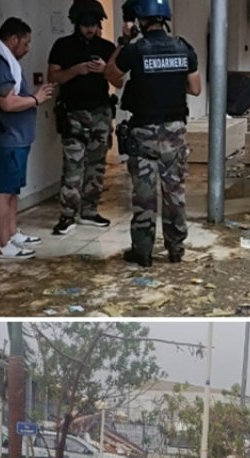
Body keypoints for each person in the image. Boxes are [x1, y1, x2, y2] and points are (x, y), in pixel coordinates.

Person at [106, 0, 202, 267]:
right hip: (174, 132)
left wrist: (124, 40)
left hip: (144, 133)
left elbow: (111, 75)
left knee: (144, 195)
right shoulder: (184, 48)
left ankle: (143, 253)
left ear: (140, 20)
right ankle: (175, 249)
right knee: (174, 192)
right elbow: (195, 89)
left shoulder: (135, 51)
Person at [0, 17, 55, 260]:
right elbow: (8, 102)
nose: (28, 48)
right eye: (26, 42)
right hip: (6, 137)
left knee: (12, 189)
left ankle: (12, 233)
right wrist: (36, 98)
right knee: (3, 190)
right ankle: (3, 244)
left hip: (16, 137)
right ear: (13, 39)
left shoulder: (7, 61)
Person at [47, 0, 117, 237]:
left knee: (96, 165)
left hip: (100, 112)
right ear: (76, 23)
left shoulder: (107, 47)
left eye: (94, 24)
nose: (89, 28)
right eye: (85, 24)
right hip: (73, 113)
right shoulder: (63, 46)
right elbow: (53, 76)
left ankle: (90, 210)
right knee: (73, 166)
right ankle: (67, 215)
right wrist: (75, 71)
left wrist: (104, 69)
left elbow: (119, 80)